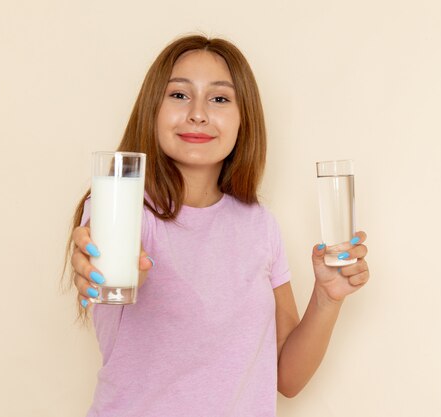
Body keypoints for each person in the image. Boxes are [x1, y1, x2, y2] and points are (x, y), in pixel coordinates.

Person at [64, 34, 370, 416]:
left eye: (220, 98)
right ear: (151, 109)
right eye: (178, 95)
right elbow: (115, 272)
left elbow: (287, 380)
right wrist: (112, 269)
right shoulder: (120, 208)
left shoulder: (260, 225)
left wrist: (328, 296)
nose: (197, 113)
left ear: (244, 120)